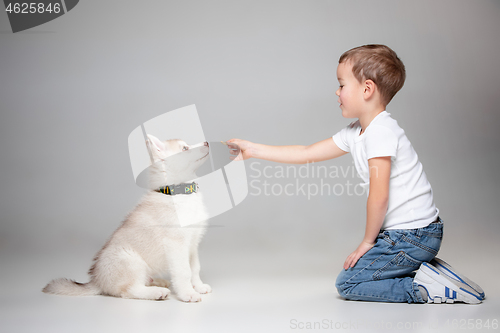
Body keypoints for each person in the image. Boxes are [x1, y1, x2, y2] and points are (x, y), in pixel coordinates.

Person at [226, 44, 484, 304]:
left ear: (367, 89)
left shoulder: (381, 132)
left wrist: (367, 242)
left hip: (412, 235)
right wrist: (253, 150)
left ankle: (425, 289)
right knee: (359, 277)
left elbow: (379, 196)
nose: (336, 92)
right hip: (414, 234)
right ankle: (432, 273)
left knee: (349, 283)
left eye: (341, 85)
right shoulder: (356, 132)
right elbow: (307, 153)